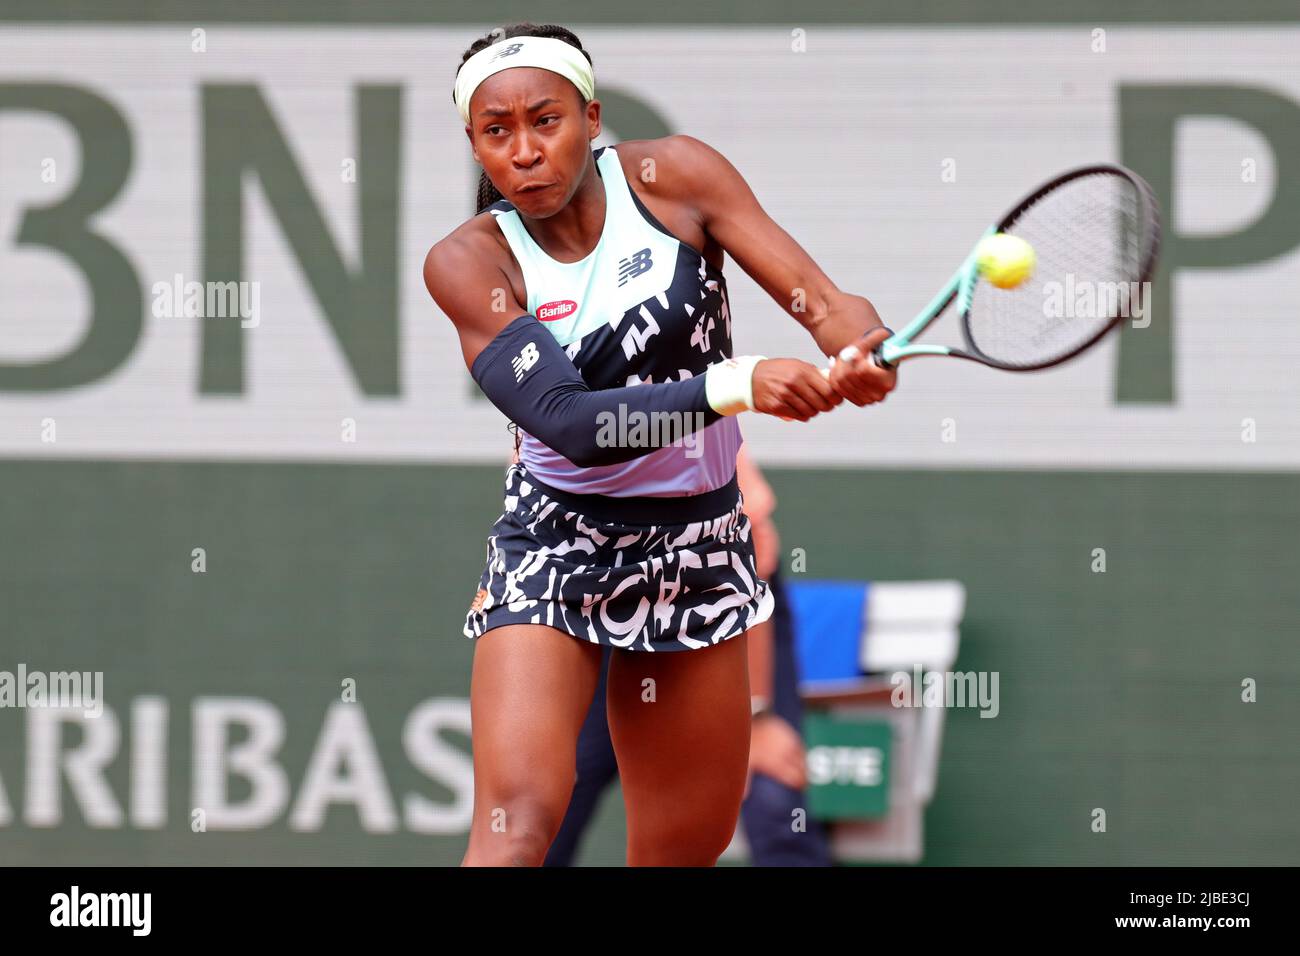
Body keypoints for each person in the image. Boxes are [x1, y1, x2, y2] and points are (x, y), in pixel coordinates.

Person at [423, 21, 895, 867]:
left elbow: (825, 303)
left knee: (682, 851)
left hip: (700, 541)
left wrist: (862, 348)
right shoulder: (469, 263)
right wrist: (738, 383)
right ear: (475, 145)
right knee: (518, 825)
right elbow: (572, 422)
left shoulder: (677, 178)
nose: (525, 150)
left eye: (547, 120)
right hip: (557, 542)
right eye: (498, 132)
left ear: (592, 116)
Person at [542, 447, 835, 866]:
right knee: (545, 808)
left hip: (722, 606)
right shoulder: (544, 417)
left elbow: (750, 560)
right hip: (594, 612)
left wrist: (757, 716)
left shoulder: (699, 420)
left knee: (773, 794)